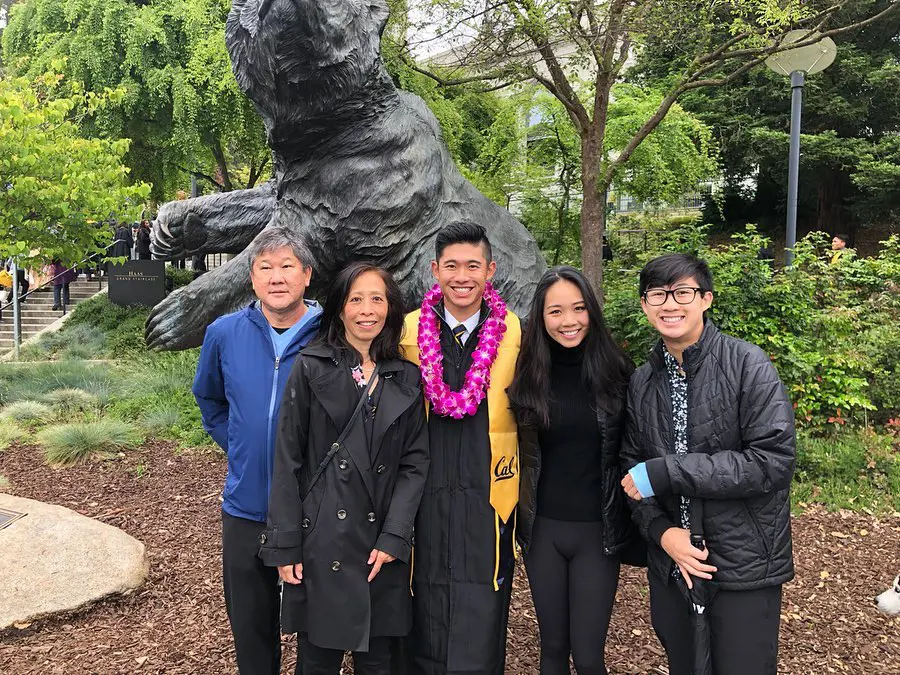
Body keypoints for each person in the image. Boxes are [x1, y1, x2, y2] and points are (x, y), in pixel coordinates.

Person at [619, 253, 796, 675]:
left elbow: (772, 462)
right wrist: (663, 534)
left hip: (741, 560)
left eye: (683, 292)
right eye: (657, 294)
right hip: (673, 565)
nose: (670, 304)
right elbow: (630, 470)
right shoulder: (642, 382)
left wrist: (669, 471)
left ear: (706, 299)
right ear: (645, 305)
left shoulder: (746, 364)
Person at [262, 262, 429, 675]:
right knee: (318, 660)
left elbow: (414, 462)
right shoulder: (310, 367)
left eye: (377, 299)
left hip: (380, 546)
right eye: (356, 299)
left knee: (379, 663)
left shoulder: (406, 376)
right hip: (323, 541)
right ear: (340, 308)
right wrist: (285, 544)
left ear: (390, 308)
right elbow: (287, 458)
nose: (367, 309)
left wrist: (395, 536)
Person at [192, 226, 322, 675]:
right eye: (265, 267)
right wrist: (238, 445)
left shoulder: (331, 338)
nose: (277, 277)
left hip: (313, 510)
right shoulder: (224, 333)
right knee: (250, 627)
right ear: (252, 278)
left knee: (316, 627)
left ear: (307, 274)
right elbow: (209, 398)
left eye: (287, 266)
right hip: (246, 507)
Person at [399, 222, 521, 675]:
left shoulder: (512, 330)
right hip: (424, 485)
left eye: (473, 265)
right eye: (451, 265)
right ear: (435, 270)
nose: (462, 276)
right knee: (423, 588)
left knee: (484, 593)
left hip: (487, 486)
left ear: (490, 269)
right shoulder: (408, 330)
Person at [507, 266, 634, 675]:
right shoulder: (526, 376)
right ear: (541, 318)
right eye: (556, 311)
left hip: (596, 530)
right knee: (553, 649)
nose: (569, 321)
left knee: (590, 654)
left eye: (578, 309)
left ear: (592, 312)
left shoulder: (618, 372)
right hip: (543, 530)